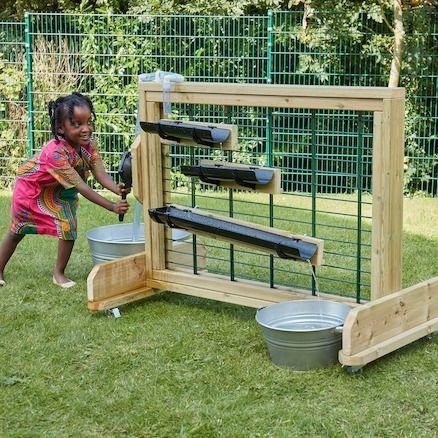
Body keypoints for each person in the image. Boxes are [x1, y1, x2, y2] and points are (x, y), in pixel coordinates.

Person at [0, 92, 129, 289]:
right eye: (77, 124)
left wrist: (116, 188)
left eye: (88, 122)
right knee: (17, 230)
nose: (85, 129)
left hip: (58, 190)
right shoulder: (55, 153)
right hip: (31, 189)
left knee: (68, 225)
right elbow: (82, 187)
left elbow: (100, 174)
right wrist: (112, 206)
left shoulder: (89, 144)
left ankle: (58, 274)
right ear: (61, 128)